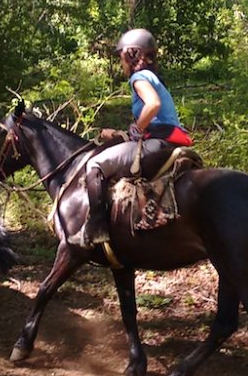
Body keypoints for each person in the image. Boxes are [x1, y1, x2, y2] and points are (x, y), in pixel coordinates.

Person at [68, 28, 193, 248]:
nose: (121, 63)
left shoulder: (139, 77)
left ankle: (96, 229)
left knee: (95, 164)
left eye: (121, 57)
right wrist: (122, 134)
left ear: (131, 54)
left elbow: (152, 105)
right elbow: (154, 121)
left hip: (158, 142)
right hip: (166, 138)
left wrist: (135, 130)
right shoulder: (153, 77)